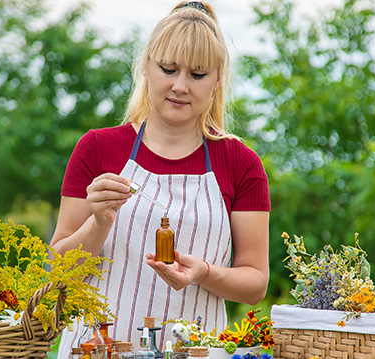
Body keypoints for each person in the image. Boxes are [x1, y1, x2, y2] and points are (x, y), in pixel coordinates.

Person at [51, 1, 270, 356]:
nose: (180, 86)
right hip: (95, 350)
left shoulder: (241, 163)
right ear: (145, 68)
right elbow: (56, 272)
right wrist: (99, 222)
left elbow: (255, 283)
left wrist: (204, 273)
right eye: (168, 69)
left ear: (217, 81)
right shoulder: (97, 148)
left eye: (197, 75)